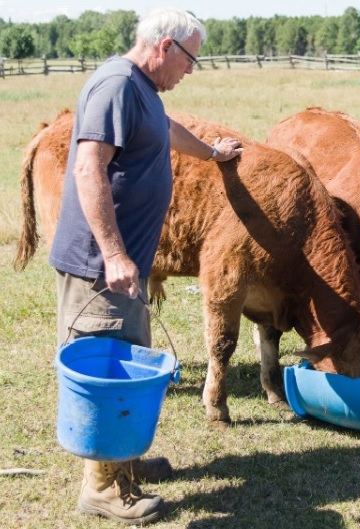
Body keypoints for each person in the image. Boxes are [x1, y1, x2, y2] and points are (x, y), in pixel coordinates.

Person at [49, 7, 242, 525]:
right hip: (99, 266)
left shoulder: (142, 91)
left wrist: (212, 152)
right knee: (106, 368)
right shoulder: (115, 85)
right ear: (165, 48)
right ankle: (102, 487)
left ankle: (124, 463)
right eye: (191, 59)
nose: (191, 69)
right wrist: (113, 254)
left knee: (128, 359)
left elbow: (166, 128)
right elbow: (89, 165)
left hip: (124, 265)